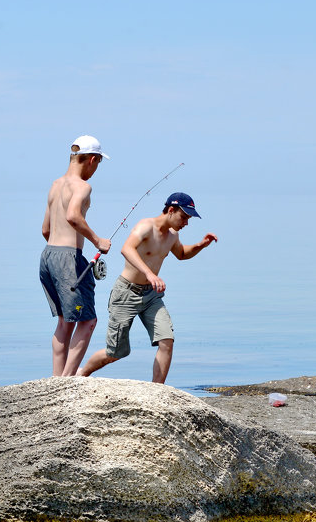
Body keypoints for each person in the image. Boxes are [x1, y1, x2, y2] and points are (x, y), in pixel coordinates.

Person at [78, 192, 217, 384]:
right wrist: (150, 274)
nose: (186, 222)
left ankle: (157, 390)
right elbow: (126, 249)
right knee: (116, 352)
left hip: (151, 296)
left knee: (166, 340)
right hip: (126, 293)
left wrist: (201, 245)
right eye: (184, 217)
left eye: (189, 219)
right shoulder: (146, 226)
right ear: (171, 210)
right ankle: (81, 374)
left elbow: (182, 254)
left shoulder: (173, 236)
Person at [40, 135, 112, 376]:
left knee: (64, 321)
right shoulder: (82, 186)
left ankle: (56, 379)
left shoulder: (55, 184)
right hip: (68, 258)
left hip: (48, 256)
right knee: (88, 321)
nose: (96, 169)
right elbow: (73, 216)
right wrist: (97, 240)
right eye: (98, 164)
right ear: (92, 159)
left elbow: (45, 230)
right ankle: (68, 379)